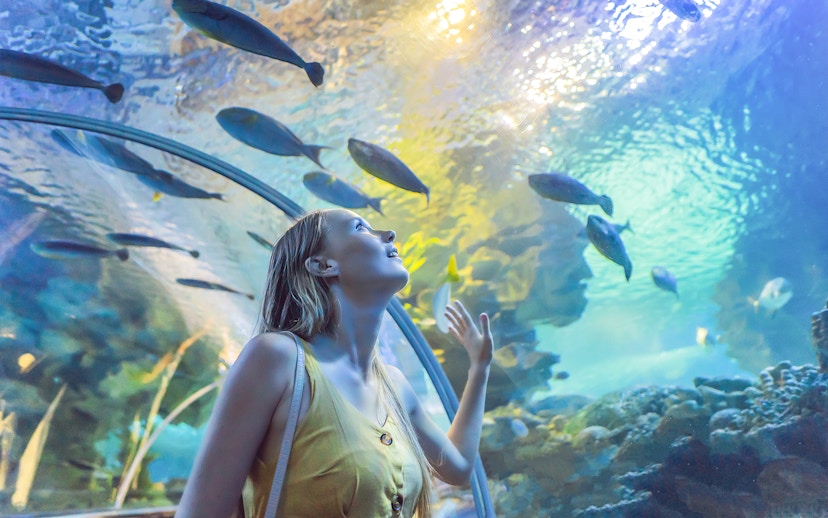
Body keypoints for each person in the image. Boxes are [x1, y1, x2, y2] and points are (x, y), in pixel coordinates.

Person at [176, 208, 493, 518]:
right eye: (360, 228)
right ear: (322, 265)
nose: (389, 234)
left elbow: (458, 468)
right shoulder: (278, 359)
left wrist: (479, 369)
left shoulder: (394, 386)